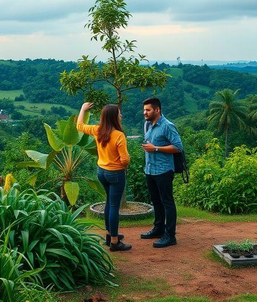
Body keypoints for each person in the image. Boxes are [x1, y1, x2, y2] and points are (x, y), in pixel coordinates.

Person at [77, 102, 131, 252]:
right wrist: (125, 161)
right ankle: (114, 242)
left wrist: (83, 109)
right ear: (114, 117)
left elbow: (80, 126)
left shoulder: (98, 130)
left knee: (109, 202)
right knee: (114, 206)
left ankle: (110, 235)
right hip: (116, 173)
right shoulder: (119, 135)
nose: (121, 115)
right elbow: (125, 160)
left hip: (101, 172)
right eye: (119, 113)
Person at [140, 97, 183, 248]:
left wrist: (156, 148)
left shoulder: (167, 126)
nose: (144, 112)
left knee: (167, 202)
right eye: (144, 109)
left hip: (164, 170)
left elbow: (178, 147)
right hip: (150, 169)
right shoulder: (147, 125)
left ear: (157, 110)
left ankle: (170, 236)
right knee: (156, 201)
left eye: (148, 110)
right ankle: (158, 229)